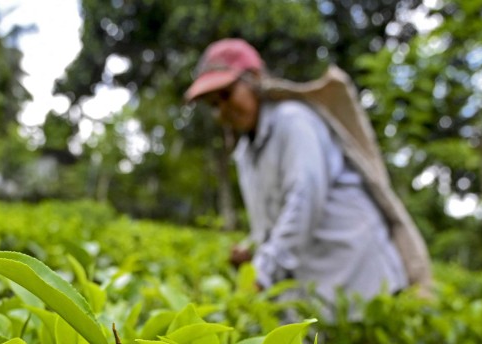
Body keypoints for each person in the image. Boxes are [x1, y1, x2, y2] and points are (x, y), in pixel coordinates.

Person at [184, 38, 432, 315]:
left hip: (364, 280)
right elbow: (270, 221)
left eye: (227, 94)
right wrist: (252, 249)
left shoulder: (293, 121)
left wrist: (262, 273)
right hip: (323, 291)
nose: (222, 110)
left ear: (254, 78)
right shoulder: (245, 153)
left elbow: (304, 201)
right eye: (213, 104)